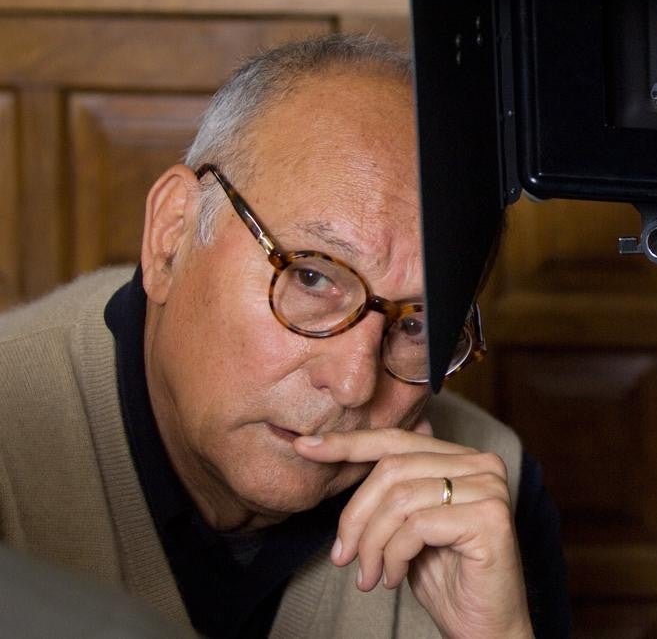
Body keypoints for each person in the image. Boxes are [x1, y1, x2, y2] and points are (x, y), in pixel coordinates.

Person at [0, 34, 569, 637]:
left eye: (418, 323)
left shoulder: (488, 496)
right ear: (170, 237)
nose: (353, 384)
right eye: (313, 276)